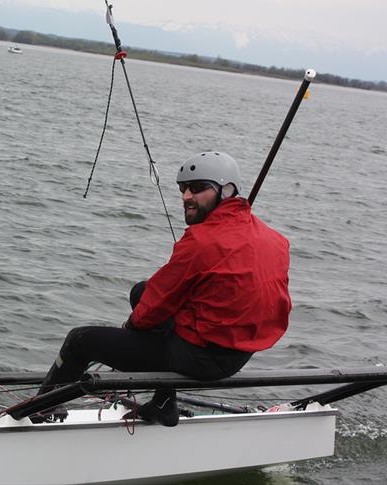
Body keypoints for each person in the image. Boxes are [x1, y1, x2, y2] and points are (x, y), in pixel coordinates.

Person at [36, 151, 291, 426]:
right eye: (183, 189)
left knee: (80, 341)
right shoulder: (275, 239)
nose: (186, 197)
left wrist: (130, 330)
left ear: (227, 191)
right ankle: (164, 404)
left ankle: (36, 412)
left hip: (202, 359)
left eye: (197, 188)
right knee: (141, 292)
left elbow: (157, 304)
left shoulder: (203, 242)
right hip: (239, 353)